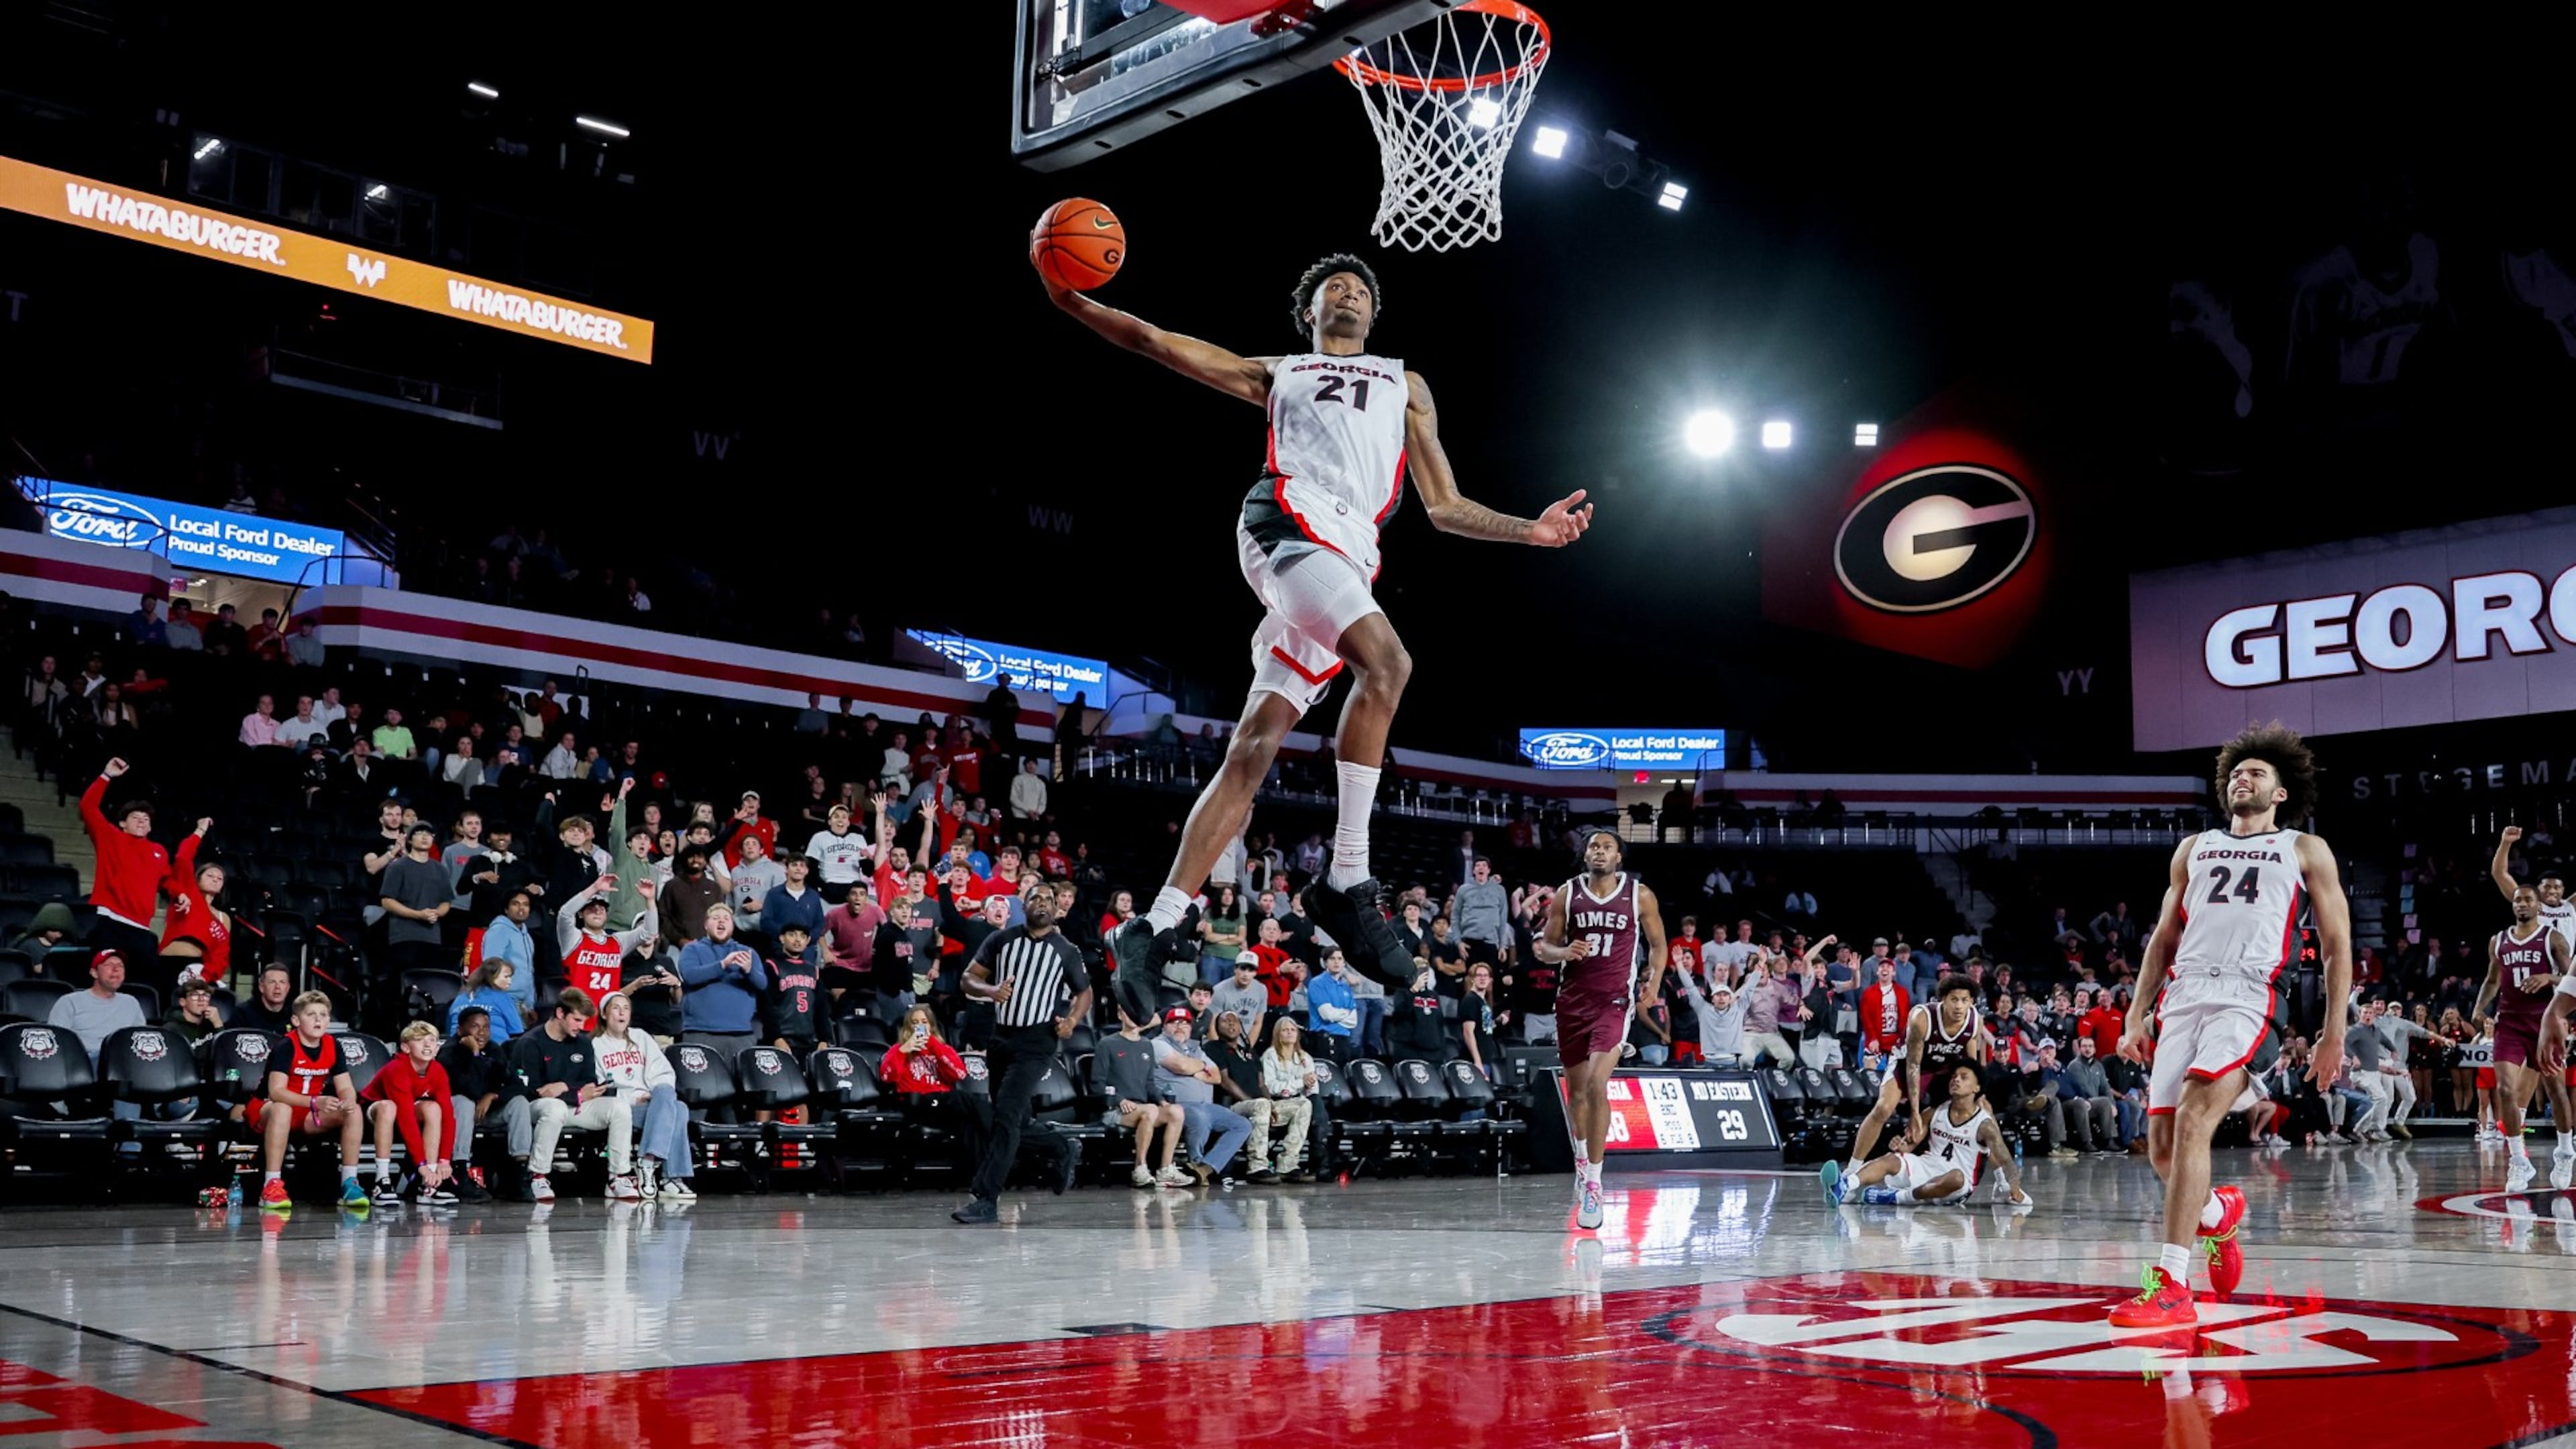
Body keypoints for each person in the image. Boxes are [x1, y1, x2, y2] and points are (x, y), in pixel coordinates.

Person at [1069, 250, 1597, 1030]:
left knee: (1254, 747)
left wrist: (1532, 530)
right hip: (1286, 521)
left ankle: (1151, 928)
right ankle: (1348, 877)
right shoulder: (1277, 371)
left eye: (1359, 289)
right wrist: (1068, 296)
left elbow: (1445, 505)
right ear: (1309, 312)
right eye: (1332, 289)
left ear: (1373, 314)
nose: (1347, 293)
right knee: (1388, 665)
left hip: (1347, 558)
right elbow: (1155, 340)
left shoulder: (1405, 383)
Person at [2112, 724, 2351, 1329]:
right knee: (2163, 1154)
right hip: (2183, 994)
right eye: (2235, 773)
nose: (2241, 778)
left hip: (2248, 995)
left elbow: (2336, 944)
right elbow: (2163, 939)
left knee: (2196, 1120)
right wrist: (2137, 1013)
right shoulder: (2193, 848)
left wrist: (2333, 1033)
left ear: (2279, 794)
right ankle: (2218, 1214)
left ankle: (2170, 1287)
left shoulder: (2303, 848)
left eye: (2256, 774)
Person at [1534, 829, 1666, 1230]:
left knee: (1596, 1085)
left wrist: (1654, 982)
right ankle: (1581, 1161)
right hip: (1572, 1001)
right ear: (1585, 856)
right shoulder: (1567, 893)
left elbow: (1659, 945)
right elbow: (1544, 946)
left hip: (1615, 1001)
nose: (1600, 851)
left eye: (1608, 847)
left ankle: (1594, 1181)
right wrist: (1564, 952)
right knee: (1577, 1094)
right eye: (1594, 846)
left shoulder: (1639, 894)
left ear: (1619, 858)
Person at [949, 884, 1089, 1224]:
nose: (1042, 904)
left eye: (1048, 901)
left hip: (1037, 1041)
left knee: (1007, 1115)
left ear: (1057, 910)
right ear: (1023, 906)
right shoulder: (1001, 940)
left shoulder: (1066, 950)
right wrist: (991, 990)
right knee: (1011, 1120)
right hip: (1000, 1038)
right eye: (1035, 899)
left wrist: (1071, 1021)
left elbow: (1084, 993)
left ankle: (986, 1198)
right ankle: (1060, 1147)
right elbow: (968, 978)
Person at [2473, 885, 2576, 1191]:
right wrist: (2479, 1006)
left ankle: (2565, 1151)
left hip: (2543, 1023)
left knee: (2556, 1089)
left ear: (2539, 905)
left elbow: (2572, 980)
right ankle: (2519, 1162)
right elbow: (2492, 979)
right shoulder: (2499, 940)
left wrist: (2549, 977)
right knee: (2505, 1088)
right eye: (2517, 900)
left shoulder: (2552, 938)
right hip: (2511, 1023)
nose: (2521, 904)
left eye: (2528, 899)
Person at [1823, 1063, 2031, 1208]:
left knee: (1956, 1177)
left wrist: (2013, 1189)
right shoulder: (1936, 1111)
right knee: (1891, 1160)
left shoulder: (1984, 1124)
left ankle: (1898, 1198)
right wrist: (1901, 1146)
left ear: (1977, 1087)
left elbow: (2004, 1158)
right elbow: (1910, 1146)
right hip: (1926, 1167)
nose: (1956, 1080)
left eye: (1963, 1078)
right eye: (1954, 1077)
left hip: (1955, 1183)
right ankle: (1845, 1186)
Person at [508, 987, 637, 1203]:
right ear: (560, 1014)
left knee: (619, 1107)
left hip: (577, 1104)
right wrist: (575, 1093)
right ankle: (538, 1176)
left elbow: (589, 1082)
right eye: (577, 1020)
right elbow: (534, 1091)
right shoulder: (530, 1043)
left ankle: (618, 1177)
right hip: (537, 1109)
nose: (581, 1026)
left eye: (584, 1021)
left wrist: (563, 1087)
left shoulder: (583, 1043)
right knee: (554, 1107)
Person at [254, 991, 372, 1215]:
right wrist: (315, 1101)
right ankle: (271, 1185)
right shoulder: (285, 1046)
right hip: (268, 1108)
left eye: (323, 1015)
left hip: (308, 1111)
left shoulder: (333, 1045)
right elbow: (276, 1092)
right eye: (311, 1015)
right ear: (297, 1021)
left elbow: (346, 1086)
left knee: (354, 1111)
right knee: (282, 1109)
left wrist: (347, 1100)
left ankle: (350, 1184)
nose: (318, 1020)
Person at [594, 991, 693, 1202]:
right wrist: (630, 1098)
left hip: (653, 1102)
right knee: (679, 1110)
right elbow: (599, 1088)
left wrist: (654, 1096)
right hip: (624, 1108)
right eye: (616, 1008)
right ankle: (670, 1178)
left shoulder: (641, 1037)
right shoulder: (596, 1045)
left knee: (669, 1095)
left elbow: (664, 1073)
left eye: (626, 1008)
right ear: (604, 1014)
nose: (622, 1013)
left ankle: (648, 1161)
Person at [78, 759, 170, 969]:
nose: (142, 821)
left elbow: (169, 880)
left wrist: (180, 892)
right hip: (112, 923)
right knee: (105, 980)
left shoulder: (159, 851)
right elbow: (88, 807)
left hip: (142, 928)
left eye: (146, 819)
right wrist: (106, 776)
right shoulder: (110, 837)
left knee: (144, 988)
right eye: (136, 817)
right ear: (122, 823)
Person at [1152, 1007, 1253, 1187]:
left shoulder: (1195, 1048)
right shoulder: (1158, 1044)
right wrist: (1200, 1067)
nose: (1180, 1027)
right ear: (1164, 1026)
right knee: (1199, 1117)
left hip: (1206, 1105)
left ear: (1191, 1028)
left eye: (1185, 1023)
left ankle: (1206, 1168)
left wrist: (1192, 1068)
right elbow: (1180, 1066)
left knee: (1242, 1124)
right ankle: (1196, 1161)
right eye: (1174, 1022)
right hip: (1177, 1106)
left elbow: (1216, 1076)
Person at [359, 1022, 458, 1205]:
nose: (427, 1045)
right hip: (372, 1114)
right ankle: (382, 1181)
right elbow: (406, 1119)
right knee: (389, 1107)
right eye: (420, 1040)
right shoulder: (397, 1069)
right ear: (406, 1047)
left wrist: (444, 1160)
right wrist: (420, 1164)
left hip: (404, 1113)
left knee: (433, 1109)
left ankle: (429, 1184)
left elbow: (448, 1117)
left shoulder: (438, 1070)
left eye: (432, 1040)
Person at [1091, 1006, 1189, 1187]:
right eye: (1128, 1012)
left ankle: (1166, 1169)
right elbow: (1097, 1084)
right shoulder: (1107, 1043)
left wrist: (1162, 1101)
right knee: (1150, 1110)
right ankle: (1140, 1169)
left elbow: (1149, 1083)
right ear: (1120, 1014)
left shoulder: (1146, 1045)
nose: (1133, 1016)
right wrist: (1120, 1100)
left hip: (1143, 1109)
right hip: (1115, 1110)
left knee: (1176, 1111)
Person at [433, 1005, 511, 1202]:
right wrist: (475, 1054)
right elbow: (471, 1089)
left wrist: (493, 1094)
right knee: (465, 1102)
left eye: (486, 1027)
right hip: (451, 1112)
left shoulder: (494, 1049)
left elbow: (514, 1083)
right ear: (460, 1031)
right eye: (475, 1027)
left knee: (518, 1103)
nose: (482, 1032)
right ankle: (458, 1170)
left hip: (484, 1111)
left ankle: (519, 1173)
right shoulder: (449, 1052)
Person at [1248, 1017, 1320, 1183]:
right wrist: (1299, 1083)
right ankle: (1258, 1165)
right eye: (1285, 1030)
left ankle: (1288, 1164)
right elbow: (1270, 1086)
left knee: (1307, 1104)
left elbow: (1312, 1089)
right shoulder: (1270, 1056)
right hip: (1272, 1103)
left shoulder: (1305, 1057)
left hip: (1297, 1102)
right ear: (1277, 1034)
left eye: (1293, 1030)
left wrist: (1307, 1084)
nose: (1289, 1032)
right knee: (1300, 1104)